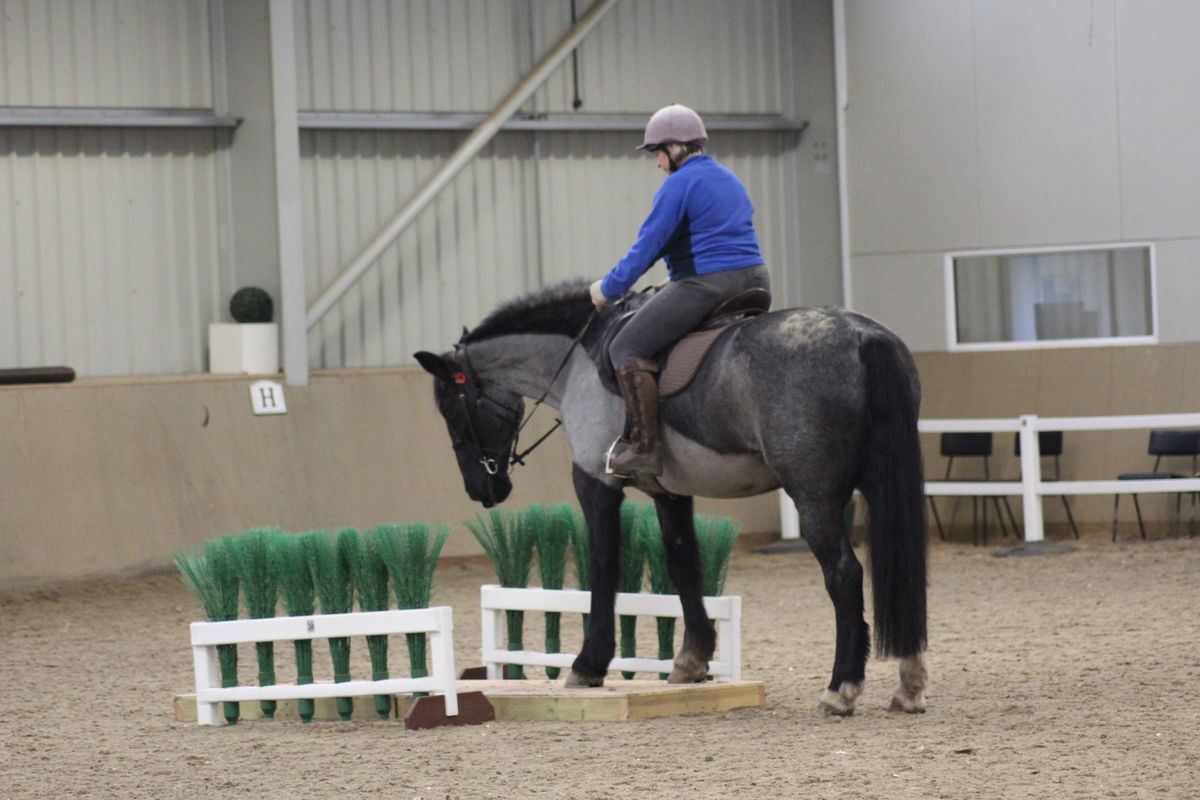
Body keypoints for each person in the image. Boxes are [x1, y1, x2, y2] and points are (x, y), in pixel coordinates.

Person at [590, 103, 771, 477]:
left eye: (657, 153)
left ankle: (643, 448)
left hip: (708, 285)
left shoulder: (679, 184)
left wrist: (607, 290)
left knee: (624, 345)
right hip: (756, 281)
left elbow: (647, 247)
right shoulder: (728, 177)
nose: (657, 163)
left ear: (673, 149)